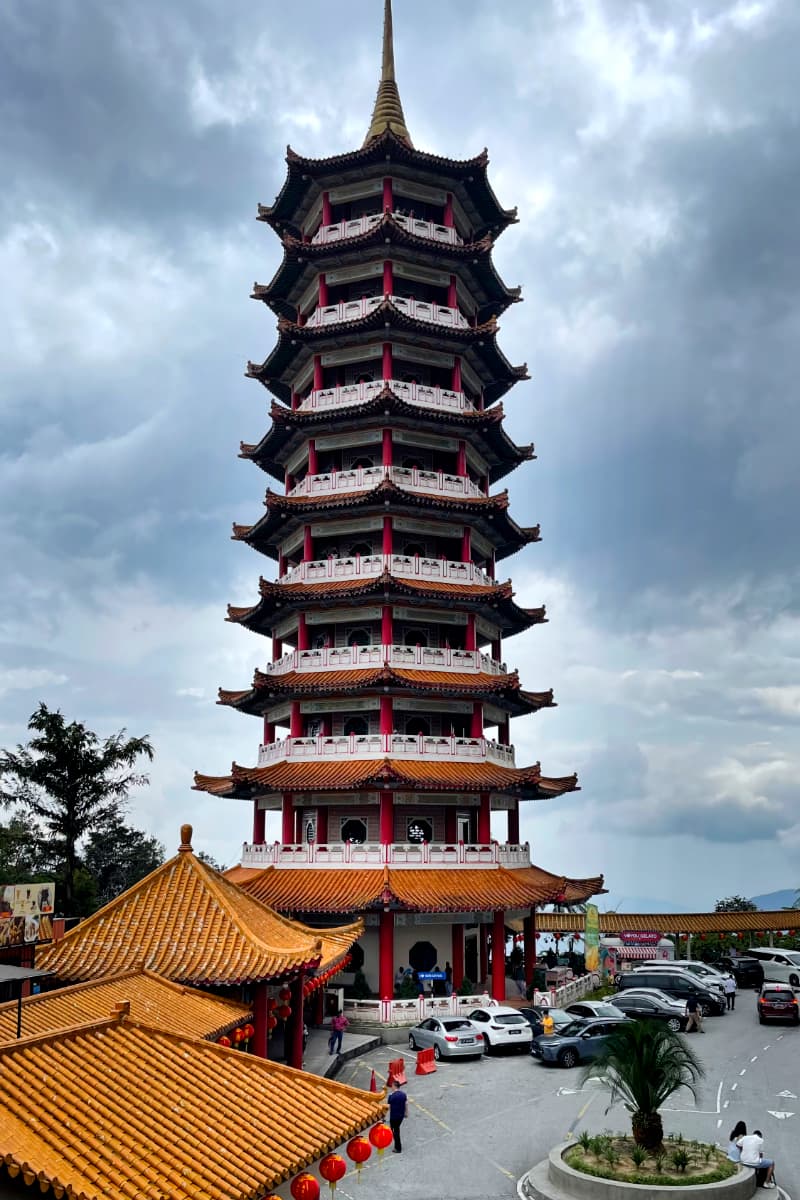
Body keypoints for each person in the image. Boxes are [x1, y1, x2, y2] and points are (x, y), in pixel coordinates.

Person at [387, 1078, 408, 1153]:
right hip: (401, 1116)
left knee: (394, 1131)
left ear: (394, 1086)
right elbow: (406, 1104)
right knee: (397, 1129)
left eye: (392, 1086)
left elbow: (388, 1107)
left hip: (394, 1116)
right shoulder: (403, 1094)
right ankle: (397, 1146)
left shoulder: (391, 1096)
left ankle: (398, 1148)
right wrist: (406, 1113)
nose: (391, 1087)